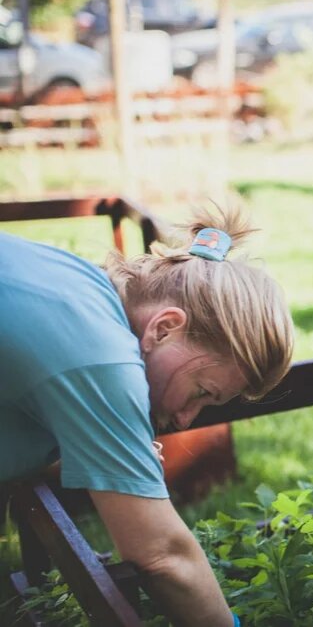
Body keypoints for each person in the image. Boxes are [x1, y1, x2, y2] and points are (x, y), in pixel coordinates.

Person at [0, 205, 294, 627]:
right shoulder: (101, 361)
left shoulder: (80, 289)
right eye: (202, 392)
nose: (187, 419)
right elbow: (162, 555)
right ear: (164, 328)